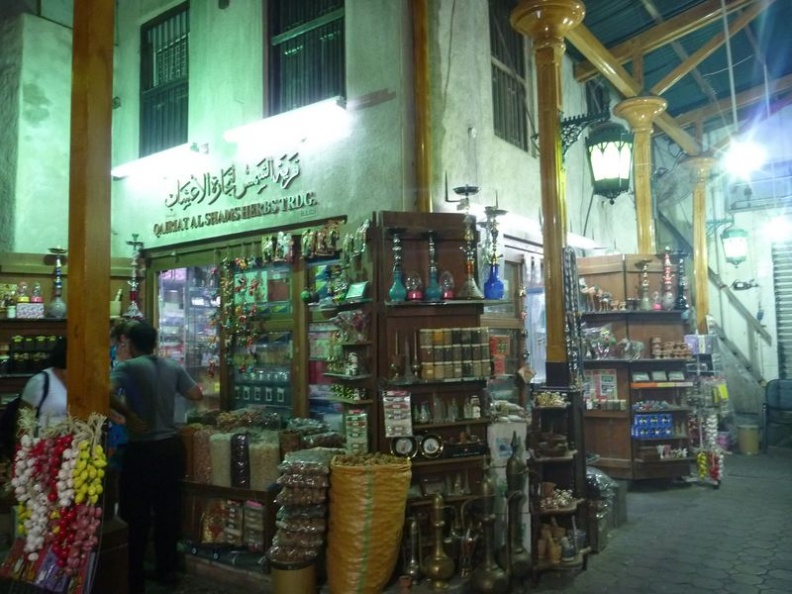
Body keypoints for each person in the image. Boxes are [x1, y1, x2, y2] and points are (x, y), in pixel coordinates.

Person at [110, 321, 202, 593]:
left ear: (130, 343)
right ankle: (167, 571)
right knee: (167, 512)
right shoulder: (172, 366)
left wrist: (128, 414)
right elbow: (196, 394)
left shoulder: (126, 367)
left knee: (135, 515)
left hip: (141, 451)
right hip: (170, 449)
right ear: (154, 342)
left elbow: (104, 390)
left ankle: (134, 576)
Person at [20, 336, 68, 429]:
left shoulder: (83, 381)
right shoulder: (40, 381)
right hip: (45, 441)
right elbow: (23, 422)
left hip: (76, 441)